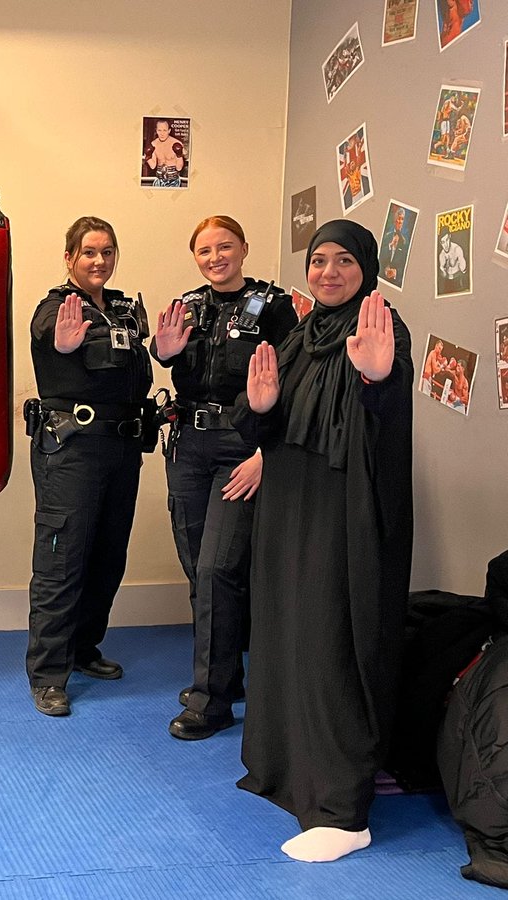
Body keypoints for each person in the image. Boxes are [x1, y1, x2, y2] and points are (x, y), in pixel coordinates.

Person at [236, 220, 413, 863]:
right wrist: (259, 407)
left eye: (343, 261)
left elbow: (389, 421)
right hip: (288, 509)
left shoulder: (380, 329)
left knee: (333, 639)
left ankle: (343, 809)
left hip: (346, 515)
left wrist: (377, 379)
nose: (329, 272)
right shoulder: (298, 339)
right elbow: (259, 419)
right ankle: (288, 770)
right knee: (288, 637)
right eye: (318, 261)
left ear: (367, 268)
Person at [150, 216, 296, 740]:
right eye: (205, 250)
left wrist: (265, 452)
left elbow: (292, 383)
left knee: (217, 569)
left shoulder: (274, 307)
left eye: (225, 247)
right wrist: (163, 353)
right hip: (188, 445)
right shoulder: (185, 307)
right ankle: (227, 678)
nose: (215, 257)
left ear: (244, 249)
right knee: (200, 570)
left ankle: (211, 702)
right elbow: (169, 360)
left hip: (240, 448)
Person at [25, 216, 154, 717]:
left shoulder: (122, 309)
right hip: (71, 450)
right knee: (62, 560)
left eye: (106, 252)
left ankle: (83, 648)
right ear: (70, 258)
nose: (98, 261)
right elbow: (47, 335)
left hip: (122, 449)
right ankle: (47, 674)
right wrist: (61, 342)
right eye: (88, 253)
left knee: (107, 555)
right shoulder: (57, 307)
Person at [145, 119, 185, 188]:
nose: (162, 133)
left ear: (169, 131)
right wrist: (148, 156)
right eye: (159, 130)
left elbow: (179, 168)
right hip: (158, 181)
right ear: (156, 130)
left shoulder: (176, 143)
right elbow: (152, 166)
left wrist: (179, 155)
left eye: (164, 130)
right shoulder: (154, 144)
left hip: (173, 181)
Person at [379, 206, 410, 286]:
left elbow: (407, 264)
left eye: (402, 219)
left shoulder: (405, 241)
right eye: (398, 218)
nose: (399, 221)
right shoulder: (386, 236)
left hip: (397, 283)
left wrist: (396, 273)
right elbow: (380, 257)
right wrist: (390, 246)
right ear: (394, 220)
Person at [438, 228, 468, 293]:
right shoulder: (441, 255)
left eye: (447, 240)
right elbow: (443, 275)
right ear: (440, 243)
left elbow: (463, 269)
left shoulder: (457, 249)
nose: (445, 245)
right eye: (443, 242)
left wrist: (461, 263)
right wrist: (443, 270)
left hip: (458, 280)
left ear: (450, 236)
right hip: (448, 283)